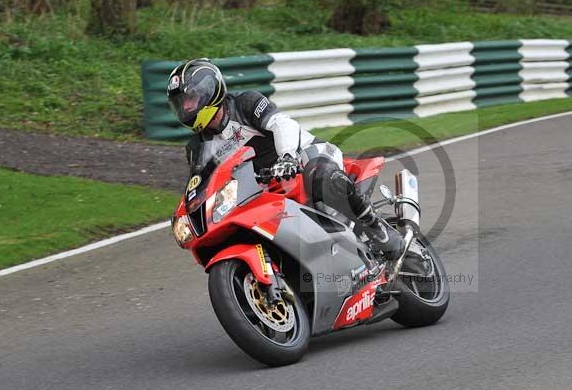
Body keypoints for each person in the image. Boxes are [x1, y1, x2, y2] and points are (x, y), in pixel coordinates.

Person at [167, 58, 403, 258]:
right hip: (265, 190)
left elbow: (282, 124)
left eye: (189, 99)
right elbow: (202, 185)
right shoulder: (197, 147)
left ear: (209, 90)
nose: (185, 108)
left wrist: (288, 156)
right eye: (180, 104)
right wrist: (185, 215)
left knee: (319, 176)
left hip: (303, 159)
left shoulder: (245, 104)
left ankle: (375, 227)